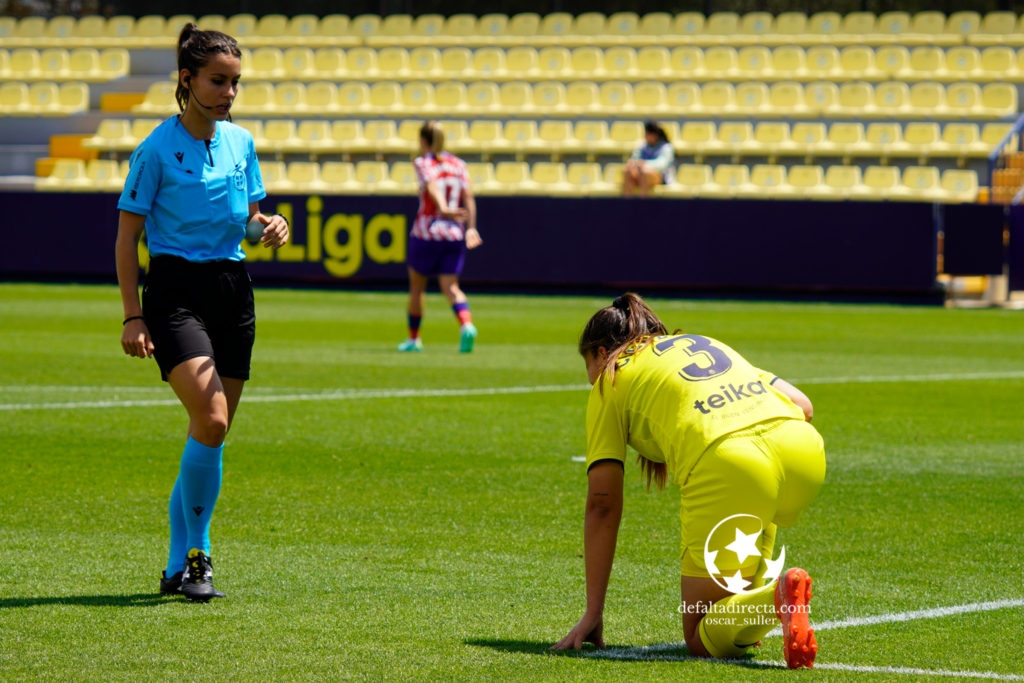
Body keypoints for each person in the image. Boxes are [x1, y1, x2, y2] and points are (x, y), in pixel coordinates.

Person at [552, 293, 826, 669]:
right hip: (802, 451)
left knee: (699, 634)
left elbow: (603, 503)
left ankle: (776, 598)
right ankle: (757, 606)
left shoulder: (609, 379)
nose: (590, 378)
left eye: (587, 366)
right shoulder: (701, 343)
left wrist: (592, 611)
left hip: (732, 464)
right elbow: (804, 404)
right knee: (732, 610)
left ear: (601, 353)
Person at [114, 23, 290, 602]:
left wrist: (270, 225)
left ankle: (173, 565)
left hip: (232, 288)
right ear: (187, 80)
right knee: (212, 421)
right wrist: (132, 315)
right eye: (218, 81)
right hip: (174, 293)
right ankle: (198, 555)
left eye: (235, 83)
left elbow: (248, 217)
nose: (228, 93)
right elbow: (126, 240)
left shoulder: (241, 143)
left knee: (208, 433)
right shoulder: (155, 149)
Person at [398, 121, 482, 353]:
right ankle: (466, 325)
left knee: (417, 287)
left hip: (427, 231)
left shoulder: (422, 162)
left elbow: (432, 186)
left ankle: (414, 340)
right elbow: (469, 196)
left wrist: (443, 208)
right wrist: (471, 227)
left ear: (423, 140)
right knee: (451, 287)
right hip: (454, 233)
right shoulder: (458, 164)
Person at [623, 120, 675, 198]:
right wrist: (632, 164)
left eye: (648, 134)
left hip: (661, 177)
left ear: (655, 135)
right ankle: (627, 203)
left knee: (644, 172)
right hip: (641, 174)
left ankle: (643, 205)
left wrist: (644, 164)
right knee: (627, 170)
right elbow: (635, 159)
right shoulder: (642, 146)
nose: (646, 136)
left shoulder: (666, 147)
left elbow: (661, 165)